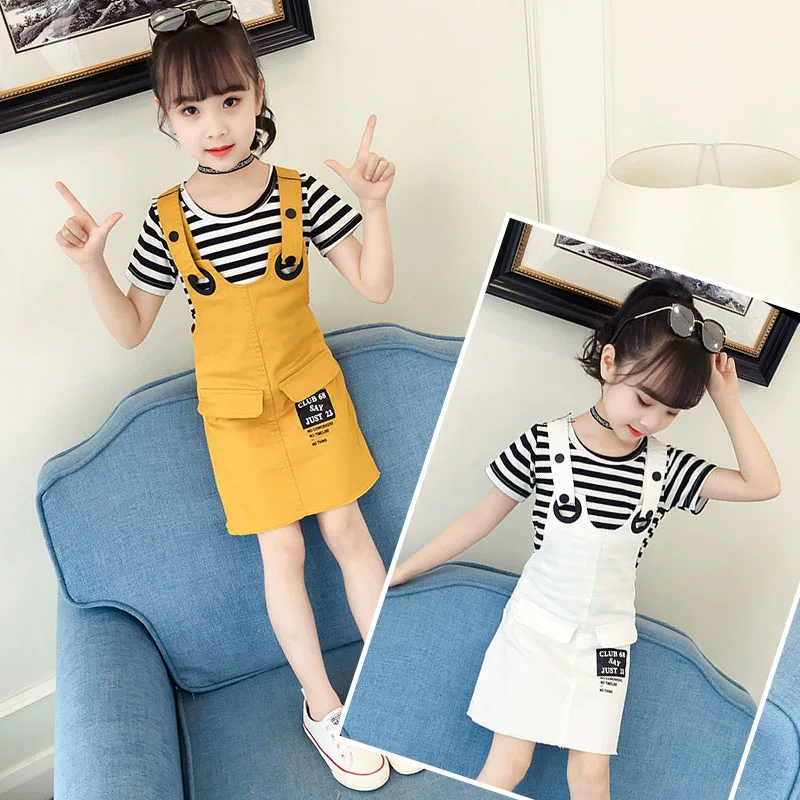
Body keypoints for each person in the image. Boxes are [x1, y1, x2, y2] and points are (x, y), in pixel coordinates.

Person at [54, 1, 419, 790]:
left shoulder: (301, 192)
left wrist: (375, 206)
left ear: (258, 93)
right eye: (191, 109)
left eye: (229, 99)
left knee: (347, 530)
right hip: (236, 417)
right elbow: (131, 328)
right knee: (282, 550)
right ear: (166, 115)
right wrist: (91, 267)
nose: (215, 124)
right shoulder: (165, 222)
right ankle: (323, 707)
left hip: (313, 395)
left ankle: (395, 688)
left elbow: (375, 284)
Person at [390, 277, 781, 799]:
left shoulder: (666, 469)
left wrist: (725, 398)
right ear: (610, 364)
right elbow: (479, 519)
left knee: (592, 775)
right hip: (533, 632)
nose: (652, 421)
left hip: (605, 646)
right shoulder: (542, 444)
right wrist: (403, 570)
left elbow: (763, 485)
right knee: (508, 765)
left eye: (670, 412)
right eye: (644, 400)